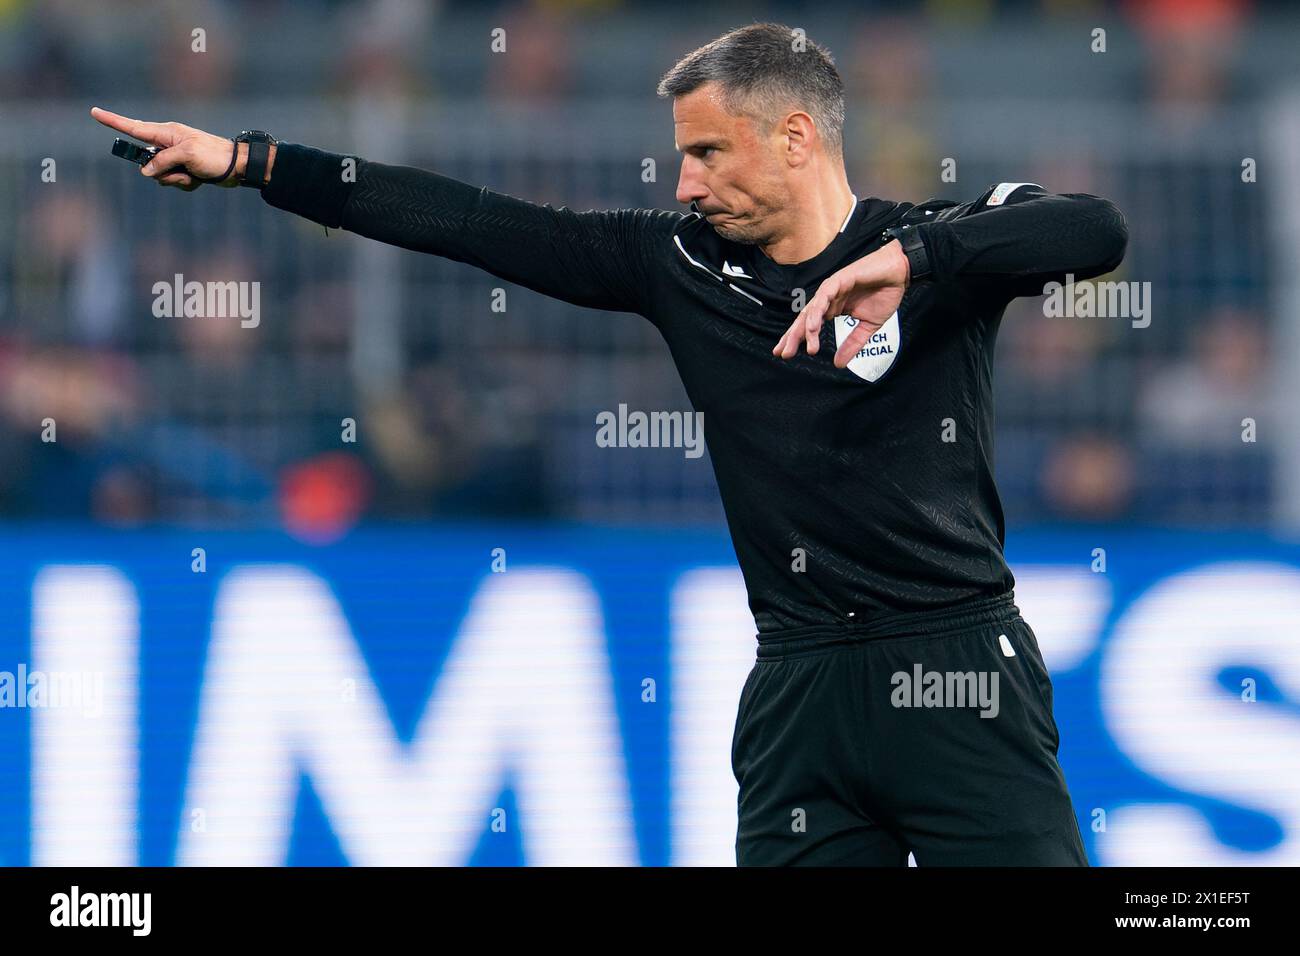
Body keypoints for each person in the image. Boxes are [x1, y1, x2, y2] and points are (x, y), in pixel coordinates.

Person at [90, 21, 1127, 866]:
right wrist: (253, 162)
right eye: (683, 155)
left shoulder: (944, 244)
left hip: (954, 670)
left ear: (797, 138)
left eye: (708, 151)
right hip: (798, 690)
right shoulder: (670, 263)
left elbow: (1092, 229)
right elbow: (466, 219)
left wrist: (918, 255)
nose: (684, 182)